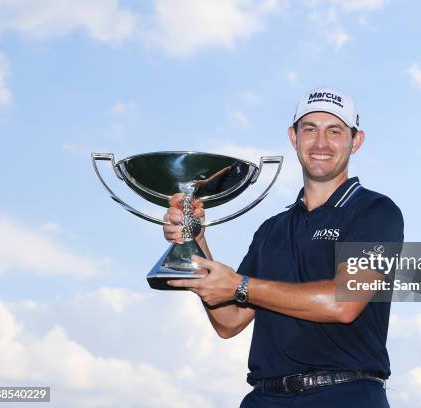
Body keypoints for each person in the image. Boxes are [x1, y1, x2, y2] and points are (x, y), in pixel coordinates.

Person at [162, 86, 404, 407]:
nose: (320, 143)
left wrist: (240, 284)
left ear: (355, 141)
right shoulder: (271, 231)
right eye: (310, 130)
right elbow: (229, 321)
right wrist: (195, 238)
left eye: (334, 131)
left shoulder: (375, 211)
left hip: (345, 394)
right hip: (264, 397)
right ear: (294, 137)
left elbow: (343, 304)